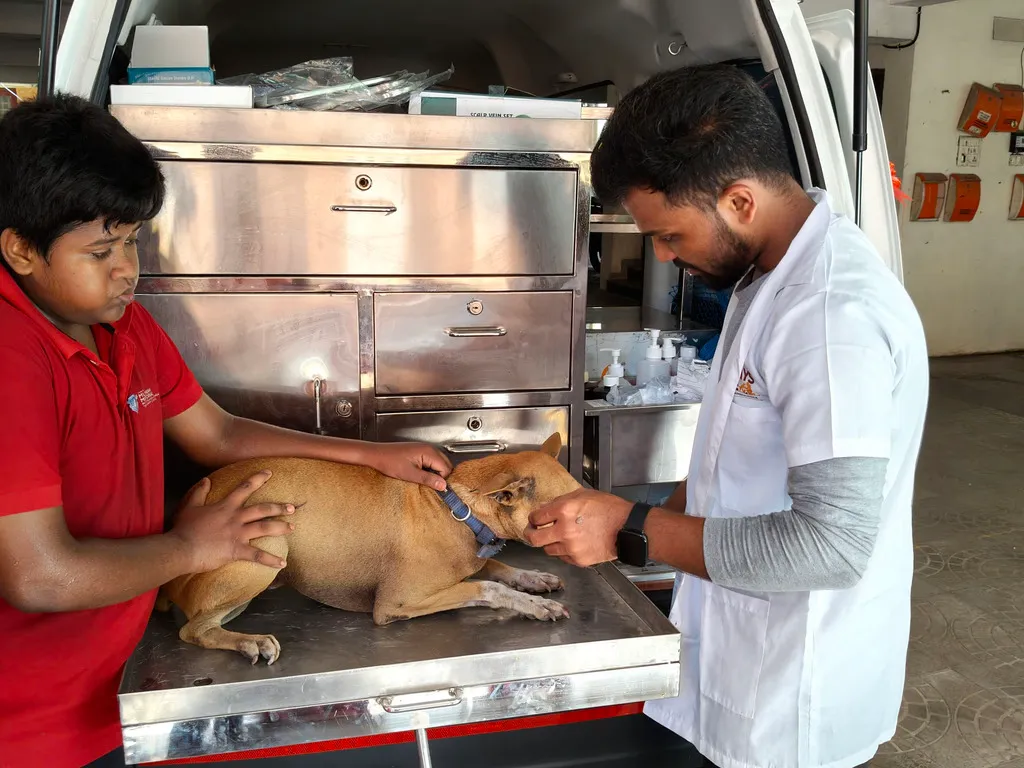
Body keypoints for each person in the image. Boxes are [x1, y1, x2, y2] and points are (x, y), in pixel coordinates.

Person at [0, 95, 453, 768]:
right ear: (21, 250)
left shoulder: (124, 328)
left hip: (115, 688)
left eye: (131, 241)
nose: (128, 268)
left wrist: (371, 456)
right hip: (32, 725)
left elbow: (215, 433)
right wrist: (188, 547)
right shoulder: (13, 359)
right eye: (101, 250)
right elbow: (39, 577)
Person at [526, 65, 929, 768]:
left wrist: (631, 526)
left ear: (739, 200)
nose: (660, 254)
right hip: (741, 657)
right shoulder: (766, 274)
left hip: (794, 689)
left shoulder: (829, 315)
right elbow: (725, 460)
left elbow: (830, 547)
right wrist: (637, 540)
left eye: (670, 234)